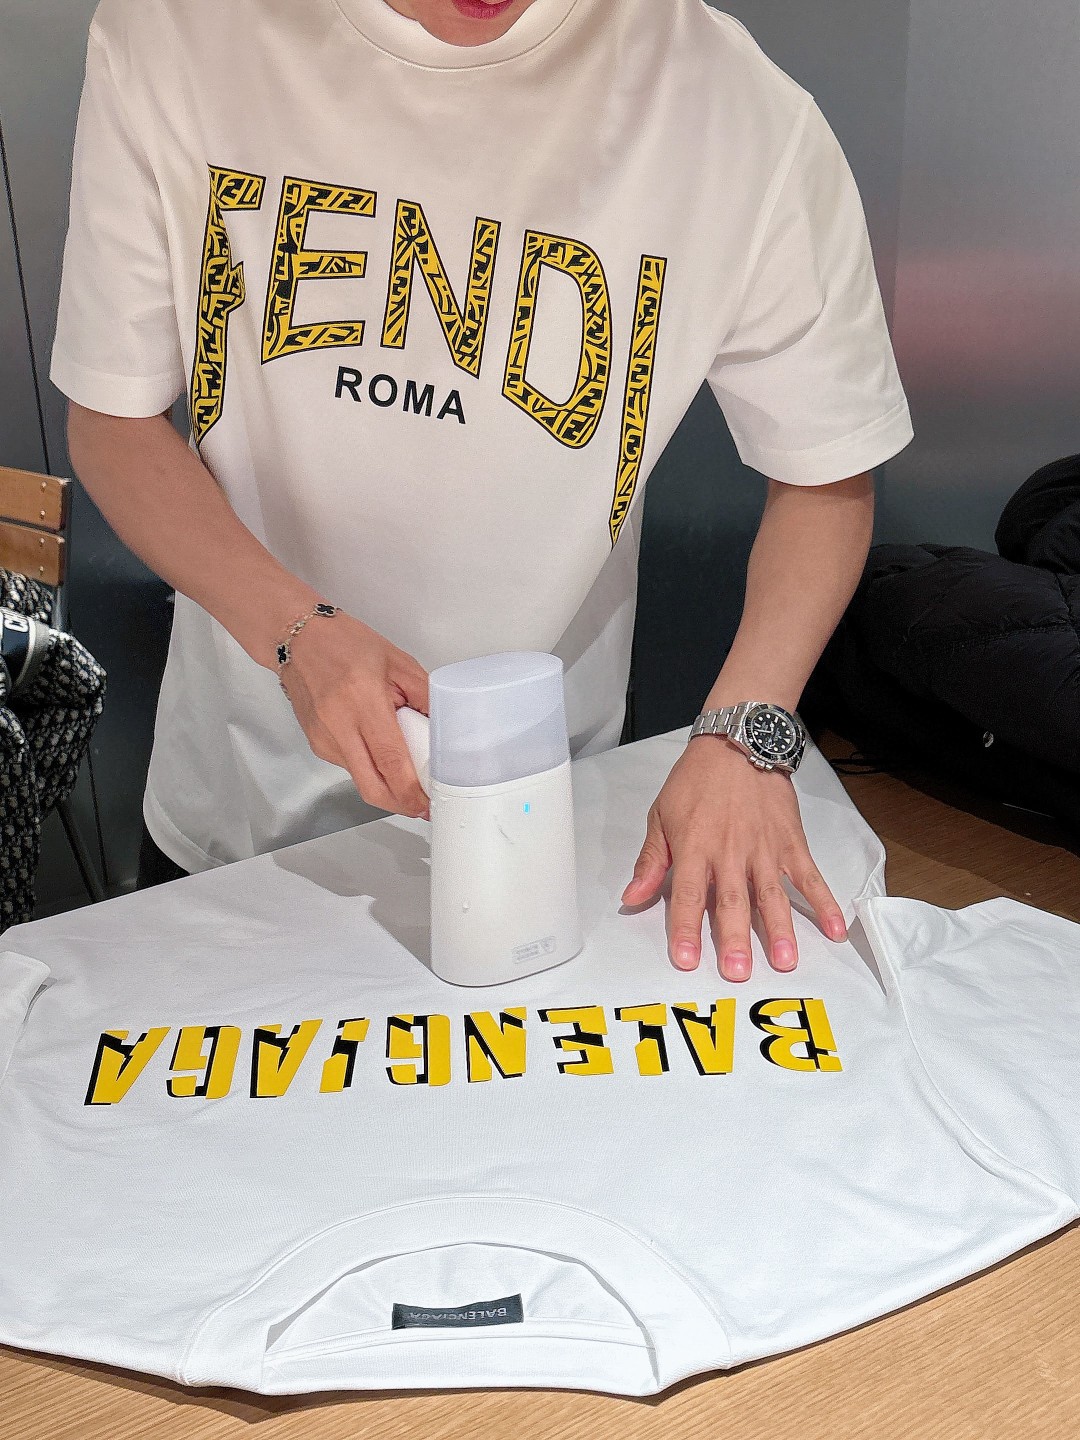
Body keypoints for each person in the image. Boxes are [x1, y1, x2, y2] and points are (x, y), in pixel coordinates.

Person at [53, 0, 913, 982]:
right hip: (238, 820)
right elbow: (113, 420)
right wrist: (292, 629)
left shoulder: (735, 112)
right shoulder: (174, 33)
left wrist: (745, 732)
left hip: (546, 827)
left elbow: (827, 466)